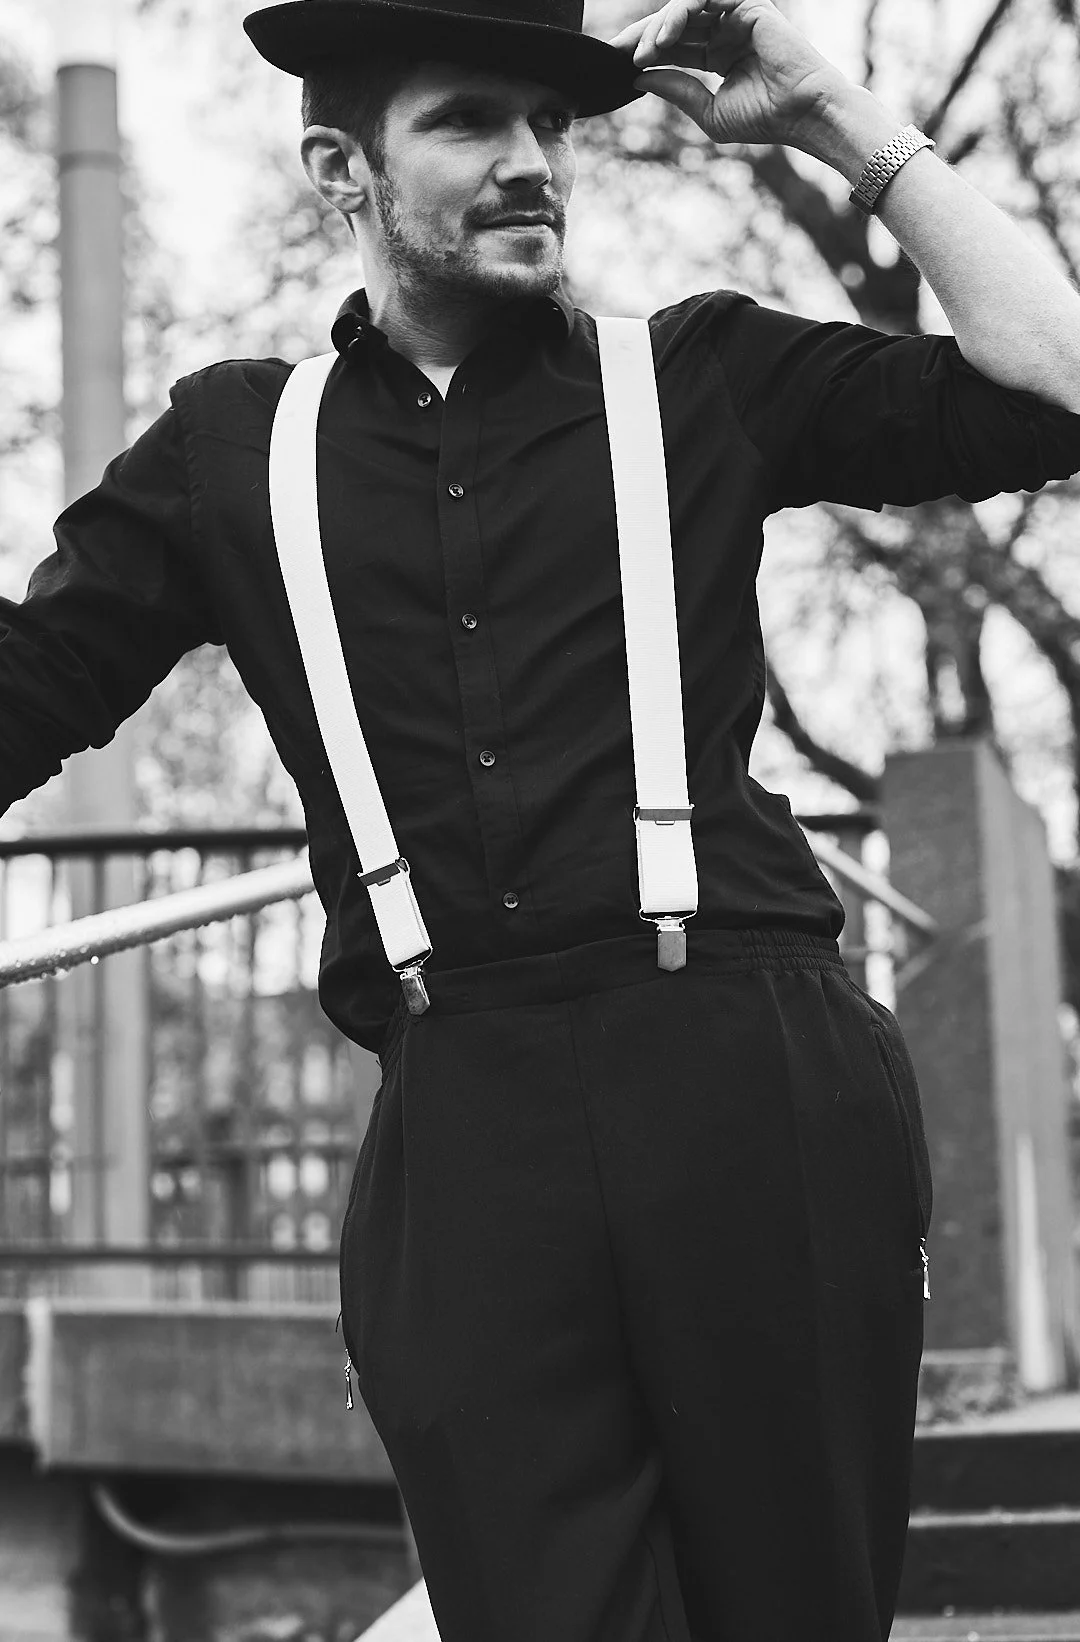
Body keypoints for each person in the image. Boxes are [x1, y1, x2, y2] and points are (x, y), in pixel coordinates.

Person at [3, 0, 1080, 1636]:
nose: (529, 163)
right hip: (464, 1111)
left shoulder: (705, 377)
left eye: (550, 127)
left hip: (749, 1073)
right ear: (339, 171)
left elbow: (1053, 382)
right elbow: (32, 683)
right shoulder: (235, 449)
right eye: (467, 122)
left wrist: (843, 120)